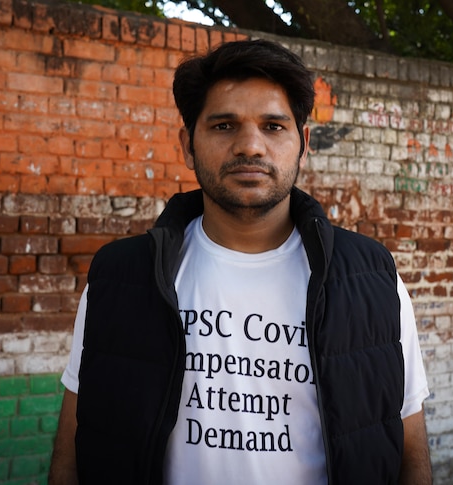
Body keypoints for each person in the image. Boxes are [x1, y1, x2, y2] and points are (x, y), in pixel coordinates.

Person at [49, 39, 432, 485]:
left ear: (303, 144)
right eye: (224, 125)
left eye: (273, 126)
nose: (250, 146)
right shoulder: (120, 277)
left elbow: (408, 449)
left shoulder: (372, 279)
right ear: (188, 145)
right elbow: (74, 449)